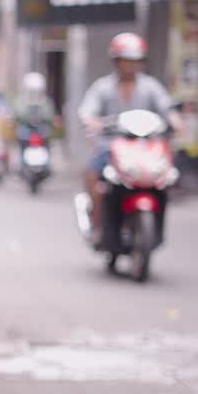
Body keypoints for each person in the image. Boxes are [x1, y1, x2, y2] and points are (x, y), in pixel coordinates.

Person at [77, 33, 181, 247]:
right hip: (111, 147)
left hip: (143, 148)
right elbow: (88, 111)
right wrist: (92, 122)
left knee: (166, 177)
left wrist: (175, 120)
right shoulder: (103, 87)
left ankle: (157, 223)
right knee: (92, 174)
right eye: (126, 61)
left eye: (135, 61)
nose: (130, 66)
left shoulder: (150, 86)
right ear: (116, 62)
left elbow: (167, 108)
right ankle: (98, 222)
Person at [14, 72, 58, 157]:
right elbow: (18, 115)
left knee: (46, 139)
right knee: (22, 139)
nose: (34, 93)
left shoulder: (45, 101)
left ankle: (46, 162)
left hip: (41, 130)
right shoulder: (21, 101)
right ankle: (22, 162)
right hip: (27, 130)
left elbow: (50, 116)